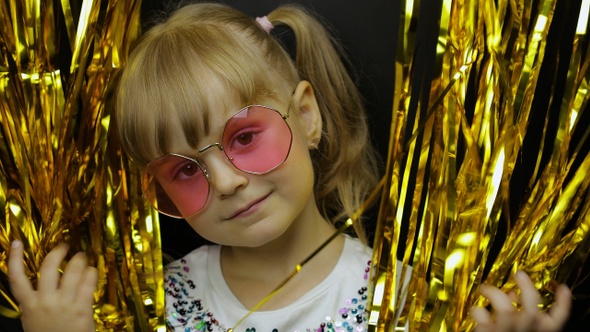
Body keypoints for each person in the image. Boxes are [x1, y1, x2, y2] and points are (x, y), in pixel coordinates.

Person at [7, 2, 572, 332]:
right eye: (184, 170)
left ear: (306, 115)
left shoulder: (403, 301)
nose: (226, 182)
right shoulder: (149, 308)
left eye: (245, 136)